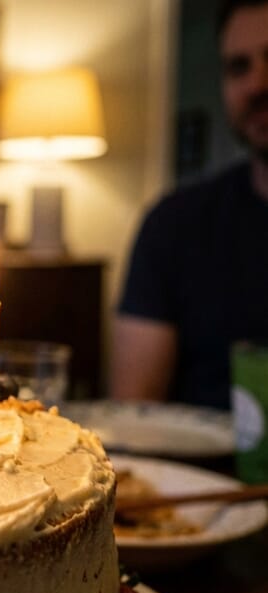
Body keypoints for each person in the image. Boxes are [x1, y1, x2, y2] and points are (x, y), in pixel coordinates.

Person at [111, 0, 268, 410]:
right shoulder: (173, 225)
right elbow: (134, 412)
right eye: (238, 67)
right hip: (200, 474)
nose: (257, 84)